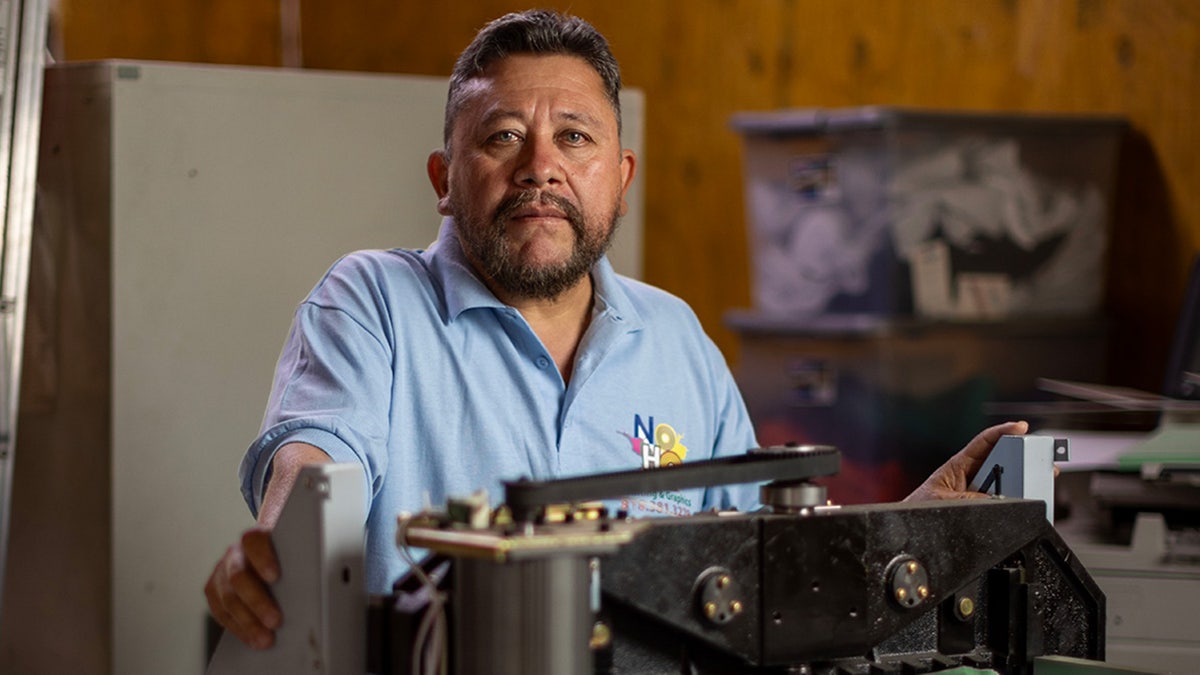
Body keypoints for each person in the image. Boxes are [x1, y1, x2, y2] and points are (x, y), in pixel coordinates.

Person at [204, 9, 1029, 651]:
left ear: (620, 179)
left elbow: (768, 566)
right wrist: (273, 554)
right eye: (502, 137)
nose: (541, 166)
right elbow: (313, 466)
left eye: (574, 136)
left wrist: (910, 531)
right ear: (444, 180)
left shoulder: (676, 340)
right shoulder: (373, 303)